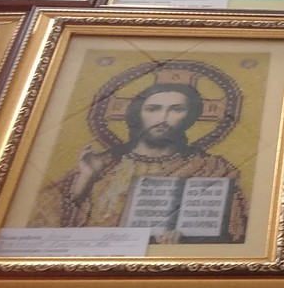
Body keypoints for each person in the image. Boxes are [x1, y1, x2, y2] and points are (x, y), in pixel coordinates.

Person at [29, 82, 247, 243]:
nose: (162, 118)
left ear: (190, 117)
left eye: (176, 109)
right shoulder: (104, 164)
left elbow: (236, 234)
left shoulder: (211, 169)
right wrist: (85, 180)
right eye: (153, 109)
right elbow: (42, 225)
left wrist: (183, 243)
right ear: (138, 114)